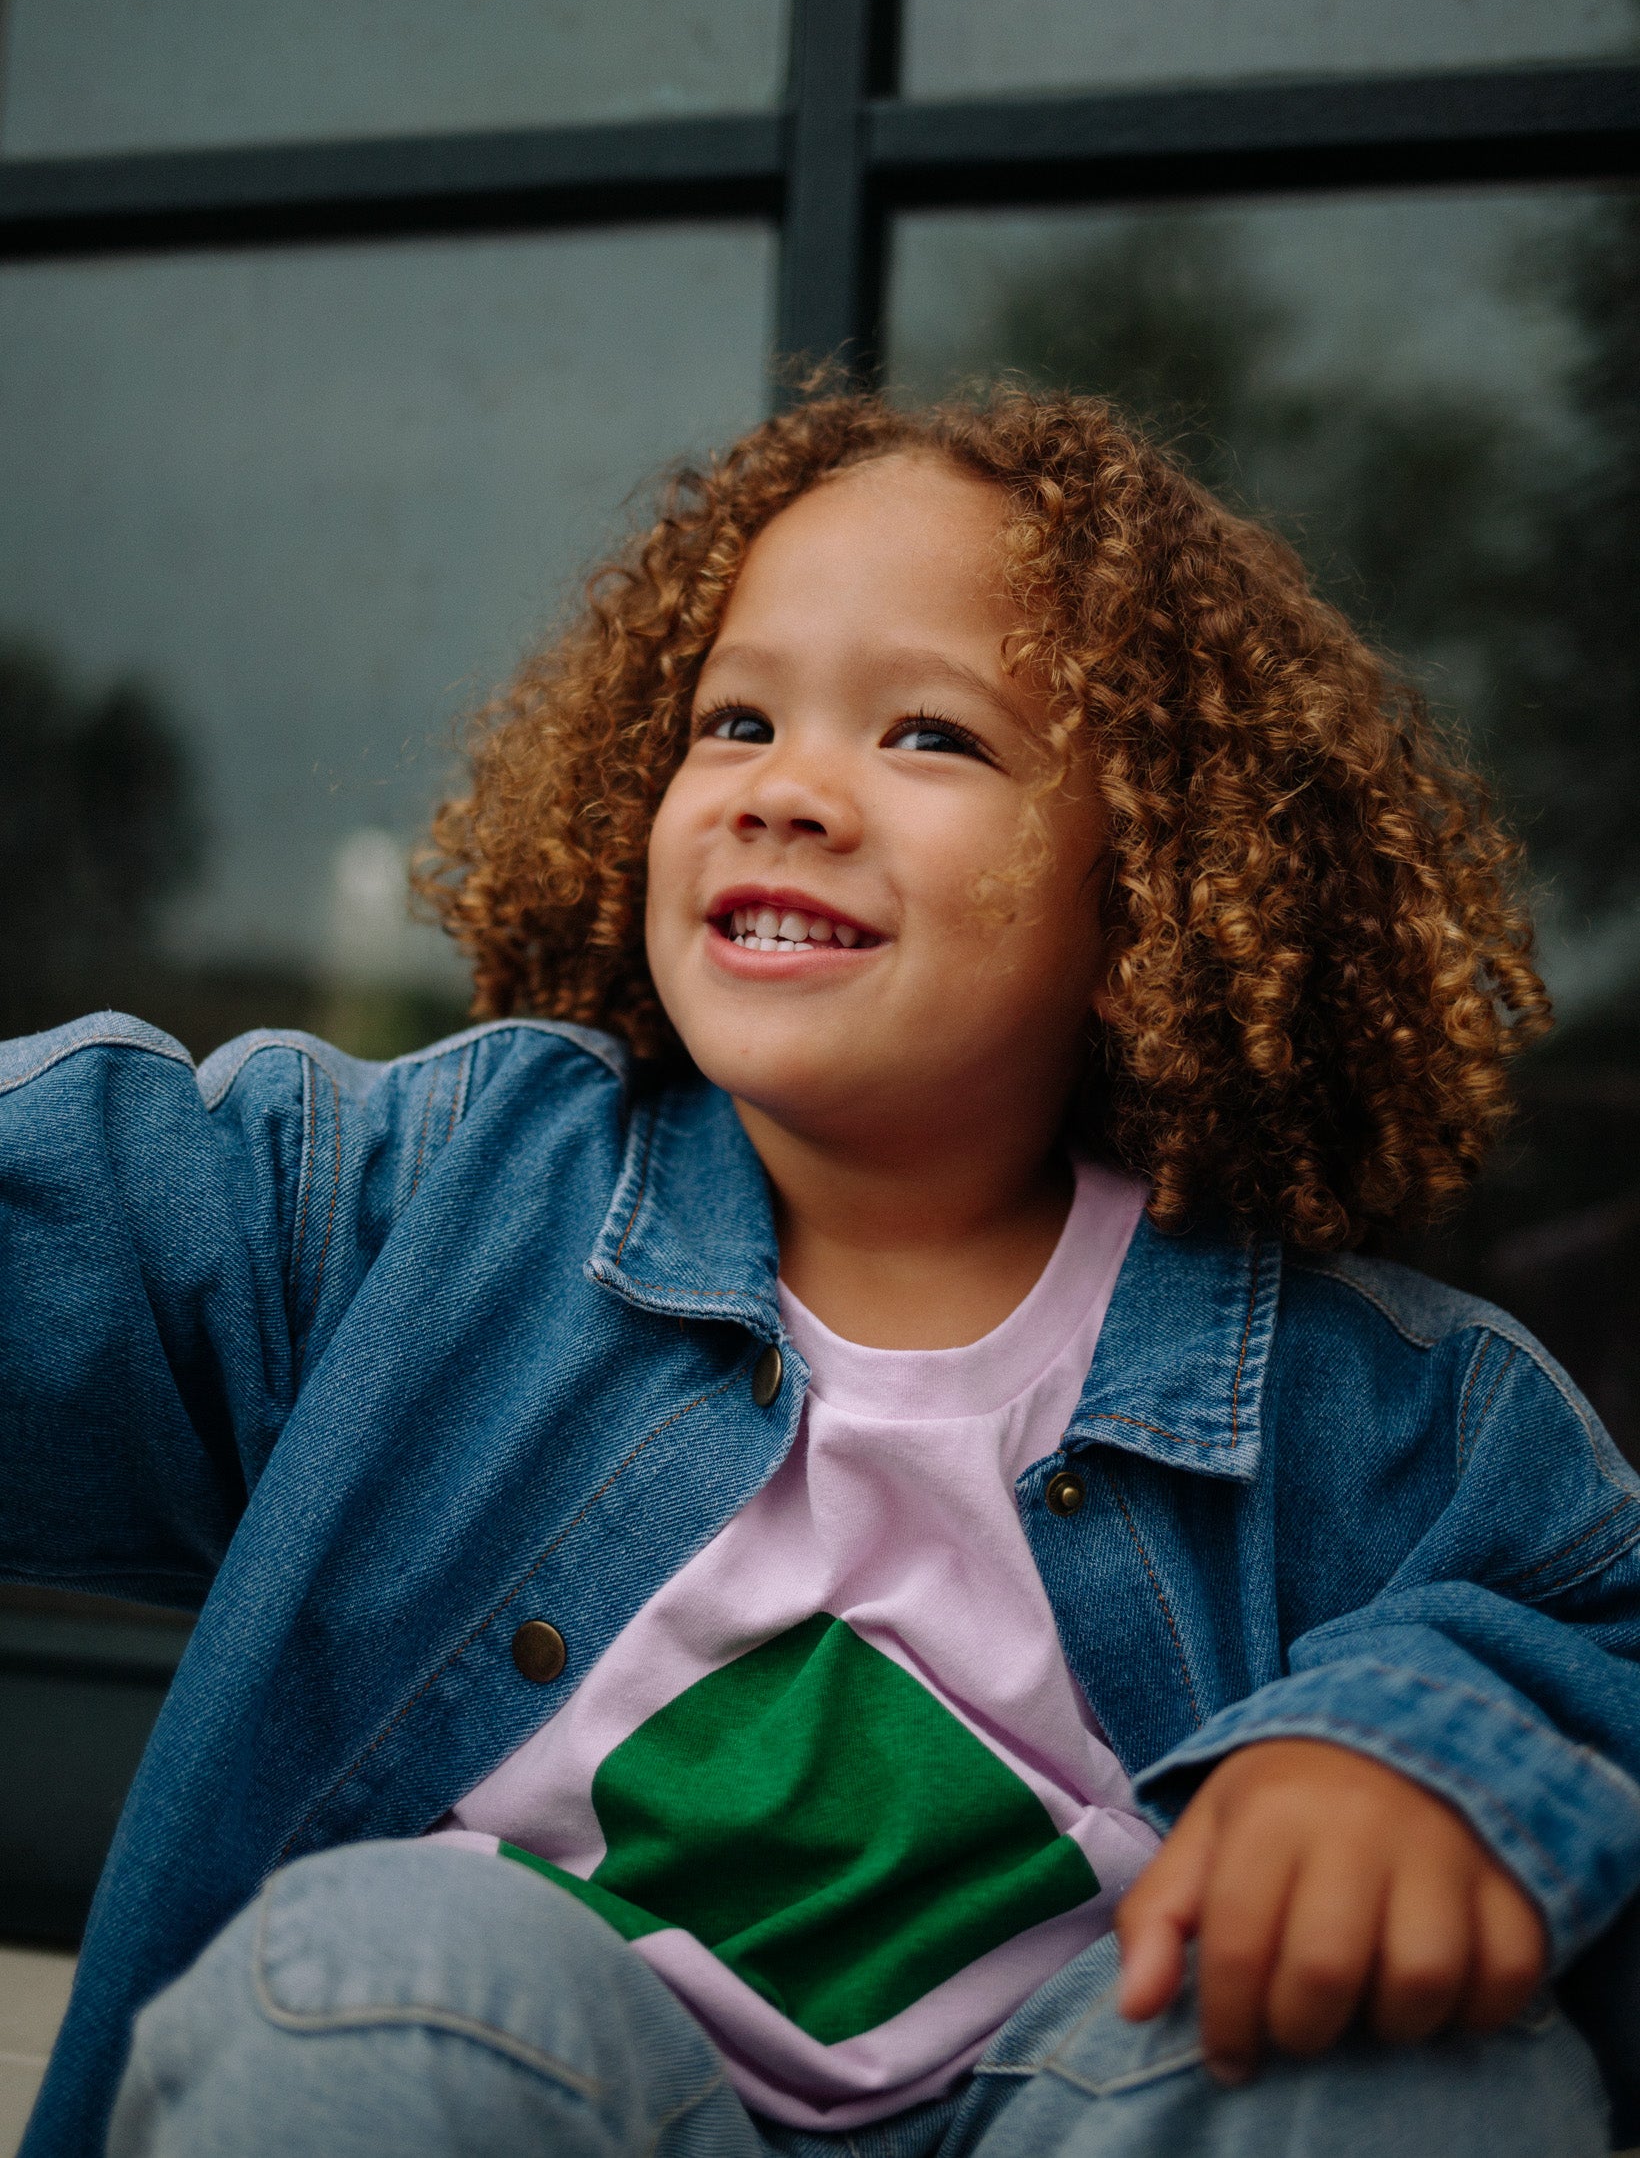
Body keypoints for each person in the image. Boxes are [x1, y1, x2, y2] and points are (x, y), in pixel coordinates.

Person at [4, 390, 1638, 2158]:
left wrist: (1419, 1752)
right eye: (737, 719)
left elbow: (1593, 1628)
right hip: (528, 2098)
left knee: (1412, 2057)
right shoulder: (430, 1212)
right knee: (382, 1958)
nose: (787, 788)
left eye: (929, 733)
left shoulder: (1389, 1411)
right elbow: (78, 1229)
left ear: (1148, 890)